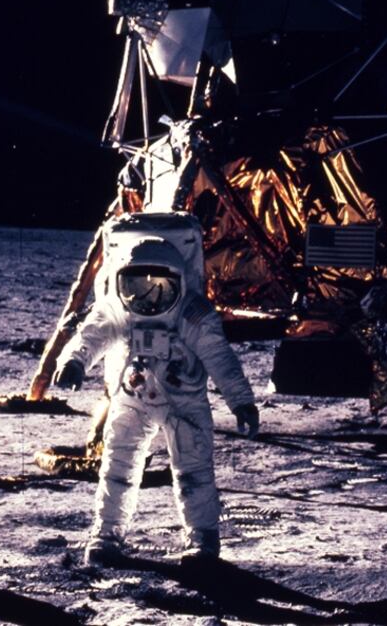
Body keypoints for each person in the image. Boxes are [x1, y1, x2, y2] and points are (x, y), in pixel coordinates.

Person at [53, 217, 258, 568]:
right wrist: (73, 362)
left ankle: (203, 540)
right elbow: (91, 335)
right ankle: (106, 535)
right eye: (136, 285)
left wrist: (241, 401)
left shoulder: (192, 314)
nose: (147, 295)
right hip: (133, 399)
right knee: (118, 467)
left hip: (185, 401)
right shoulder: (118, 308)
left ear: (176, 282)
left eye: (158, 285)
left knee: (194, 470)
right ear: (122, 282)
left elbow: (220, 358)